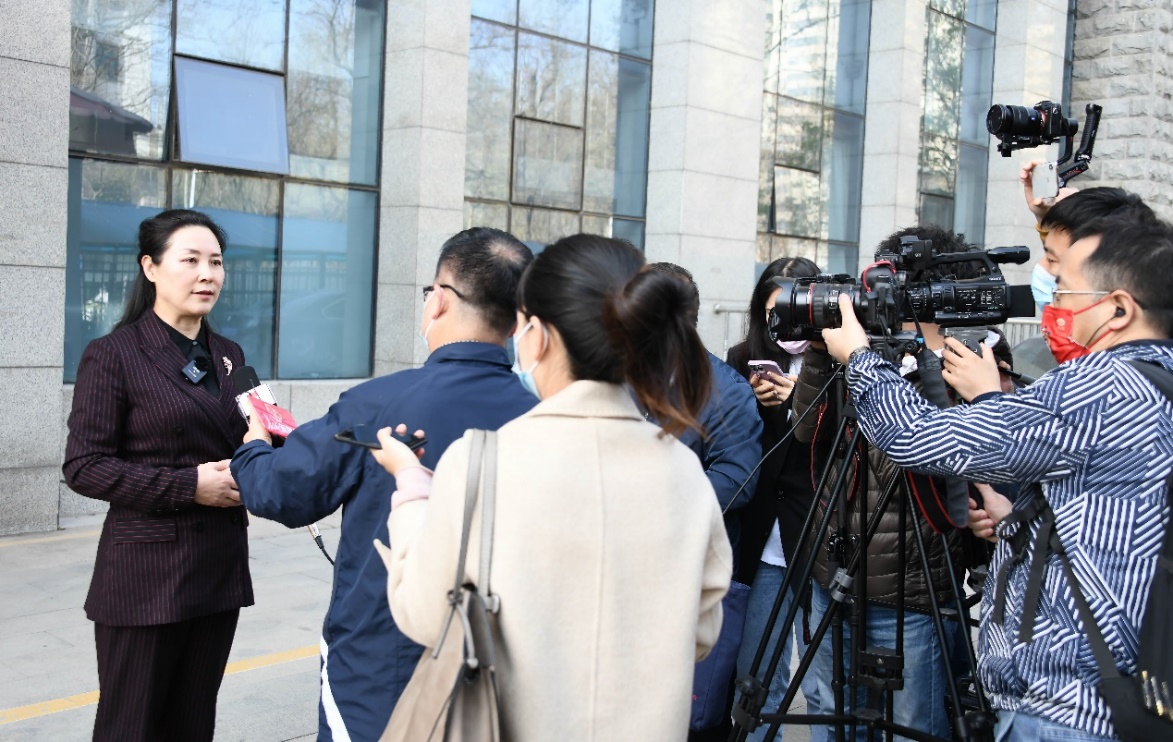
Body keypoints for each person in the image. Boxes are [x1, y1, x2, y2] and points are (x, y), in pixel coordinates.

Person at [819, 213, 1173, 740]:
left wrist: (859, 358)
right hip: (1130, 683)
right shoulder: (1158, 378)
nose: (1053, 304)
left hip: (1071, 706)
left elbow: (918, 438)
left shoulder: (1103, 388)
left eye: (1064, 289)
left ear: (1118, 308)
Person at [370, 234, 734, 740]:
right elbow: (701, 632)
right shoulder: (684, 473)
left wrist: (411, 488)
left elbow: (426, 614)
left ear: (537, 335)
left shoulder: (481, 461)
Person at [230, 228, 538, 742]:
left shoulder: (376, 404)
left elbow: (282, 491)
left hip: (381, 663)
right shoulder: (543, 414)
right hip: (504, 668)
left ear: (440, 300)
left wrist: (254, 448)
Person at [63, 209, 253, 742]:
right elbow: (83, 466)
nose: (207, 274)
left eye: (216, 262)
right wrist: (190, 485)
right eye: (190, 260)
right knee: (131, 725)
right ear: (150, 267)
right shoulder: (113, 355)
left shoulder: (230, 356)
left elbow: (260, 432)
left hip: (217, 568)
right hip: (146, 577)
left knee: (192, 723)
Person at [792, 227, 987, 741]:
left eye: (892, 283)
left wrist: (876, 370)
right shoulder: (857, 352)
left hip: (913, 592)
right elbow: (808, 431)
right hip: (834, 575)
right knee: (832, 718)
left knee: (911, 729)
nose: (878, 296)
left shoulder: (968, 364)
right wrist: (822, 353)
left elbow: (919, 461)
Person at [645, 262, 762, 742]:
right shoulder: (617, 376)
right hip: (624, 574)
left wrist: (648, 507)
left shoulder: (726, 390)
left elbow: (736, 480)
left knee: (692, 716)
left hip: (690, 576)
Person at [725, 256, 824, 741]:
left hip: (823, 538)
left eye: (792, 311)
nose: (783, 324)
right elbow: (733, 445)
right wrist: (746, 400)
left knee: (828, 682)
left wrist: (801, 403)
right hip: (767, 540)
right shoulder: (742, 357)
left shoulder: (844, 359)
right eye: (772, 313)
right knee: (756, 678)